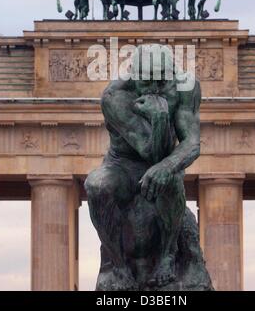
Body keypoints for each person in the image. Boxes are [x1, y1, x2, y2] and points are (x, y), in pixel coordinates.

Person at [85, 45, 201, 290]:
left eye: (161, 81)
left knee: (169, 178)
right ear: (132, 73)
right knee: (96, 185)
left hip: (165, 163)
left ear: (172, 73)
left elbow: (191, 142)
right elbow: (148, 151)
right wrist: (159, 118)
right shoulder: (115, 96)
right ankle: (116, 266)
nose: (155, 89)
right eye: (147, 82)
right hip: (123, 166)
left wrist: (168, 165)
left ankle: (169, 256)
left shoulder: (185, 86)